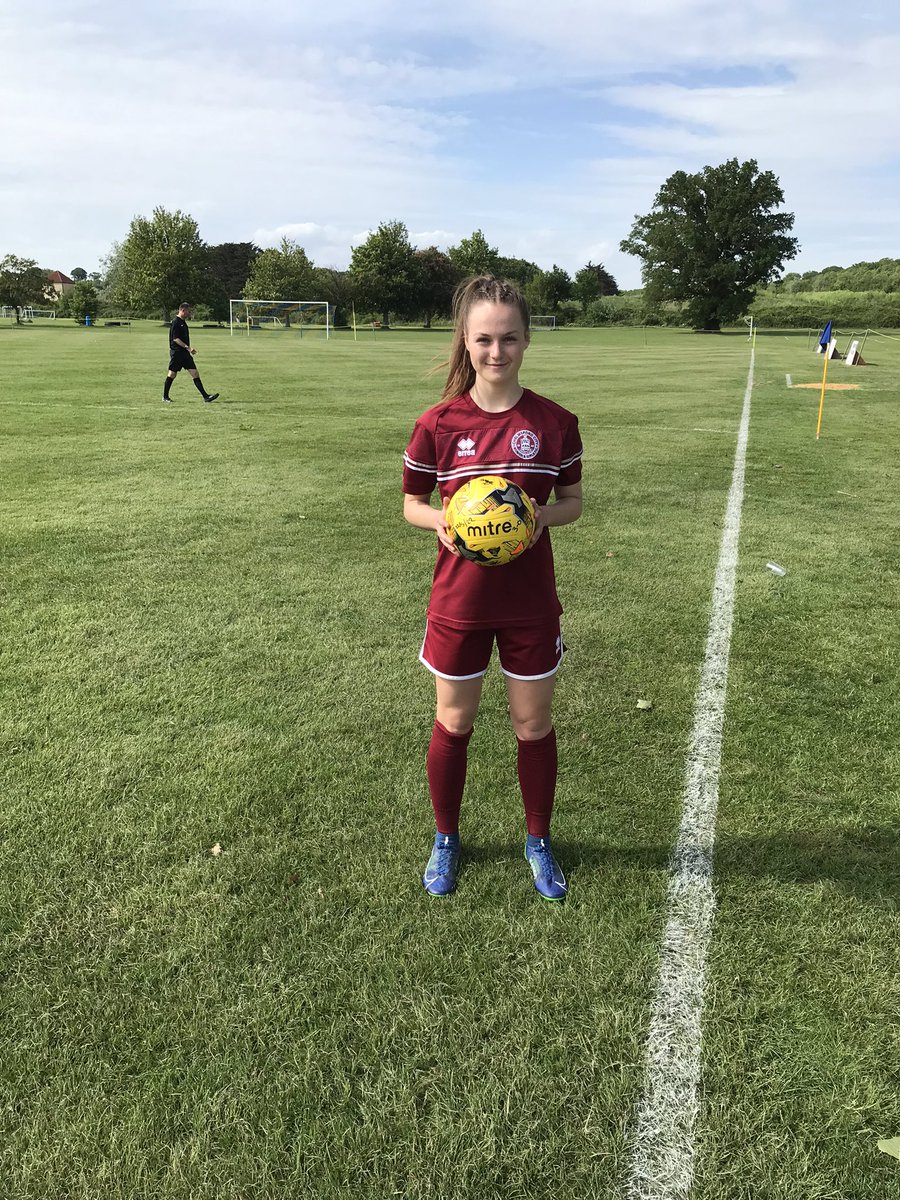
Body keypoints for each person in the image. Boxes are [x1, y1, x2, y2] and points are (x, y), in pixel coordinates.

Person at [402, 276, 583, 900]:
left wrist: (536, 520)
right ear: (465, 341)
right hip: (460, 602)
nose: (496, 351)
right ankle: (446, 837)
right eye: (484, 339)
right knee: (454, 721)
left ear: (527, 340)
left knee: (532, 725)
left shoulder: (555, 423)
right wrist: (446, 520)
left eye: (509, 338)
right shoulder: (439, 423)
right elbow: (411, 505)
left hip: (531, 602)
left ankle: (538, 839)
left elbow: (573, 503)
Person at [162, 303, 219, 403]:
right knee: (172, 374)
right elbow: (175, 339)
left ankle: (206, 397)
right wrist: (188, 348)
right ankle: (165, 397)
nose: (189, 313)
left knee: (195, 373)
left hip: (185, 354)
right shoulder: (176, 322)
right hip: (177, 353)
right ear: (183, 310)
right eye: (188, 311)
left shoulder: (183, 322)